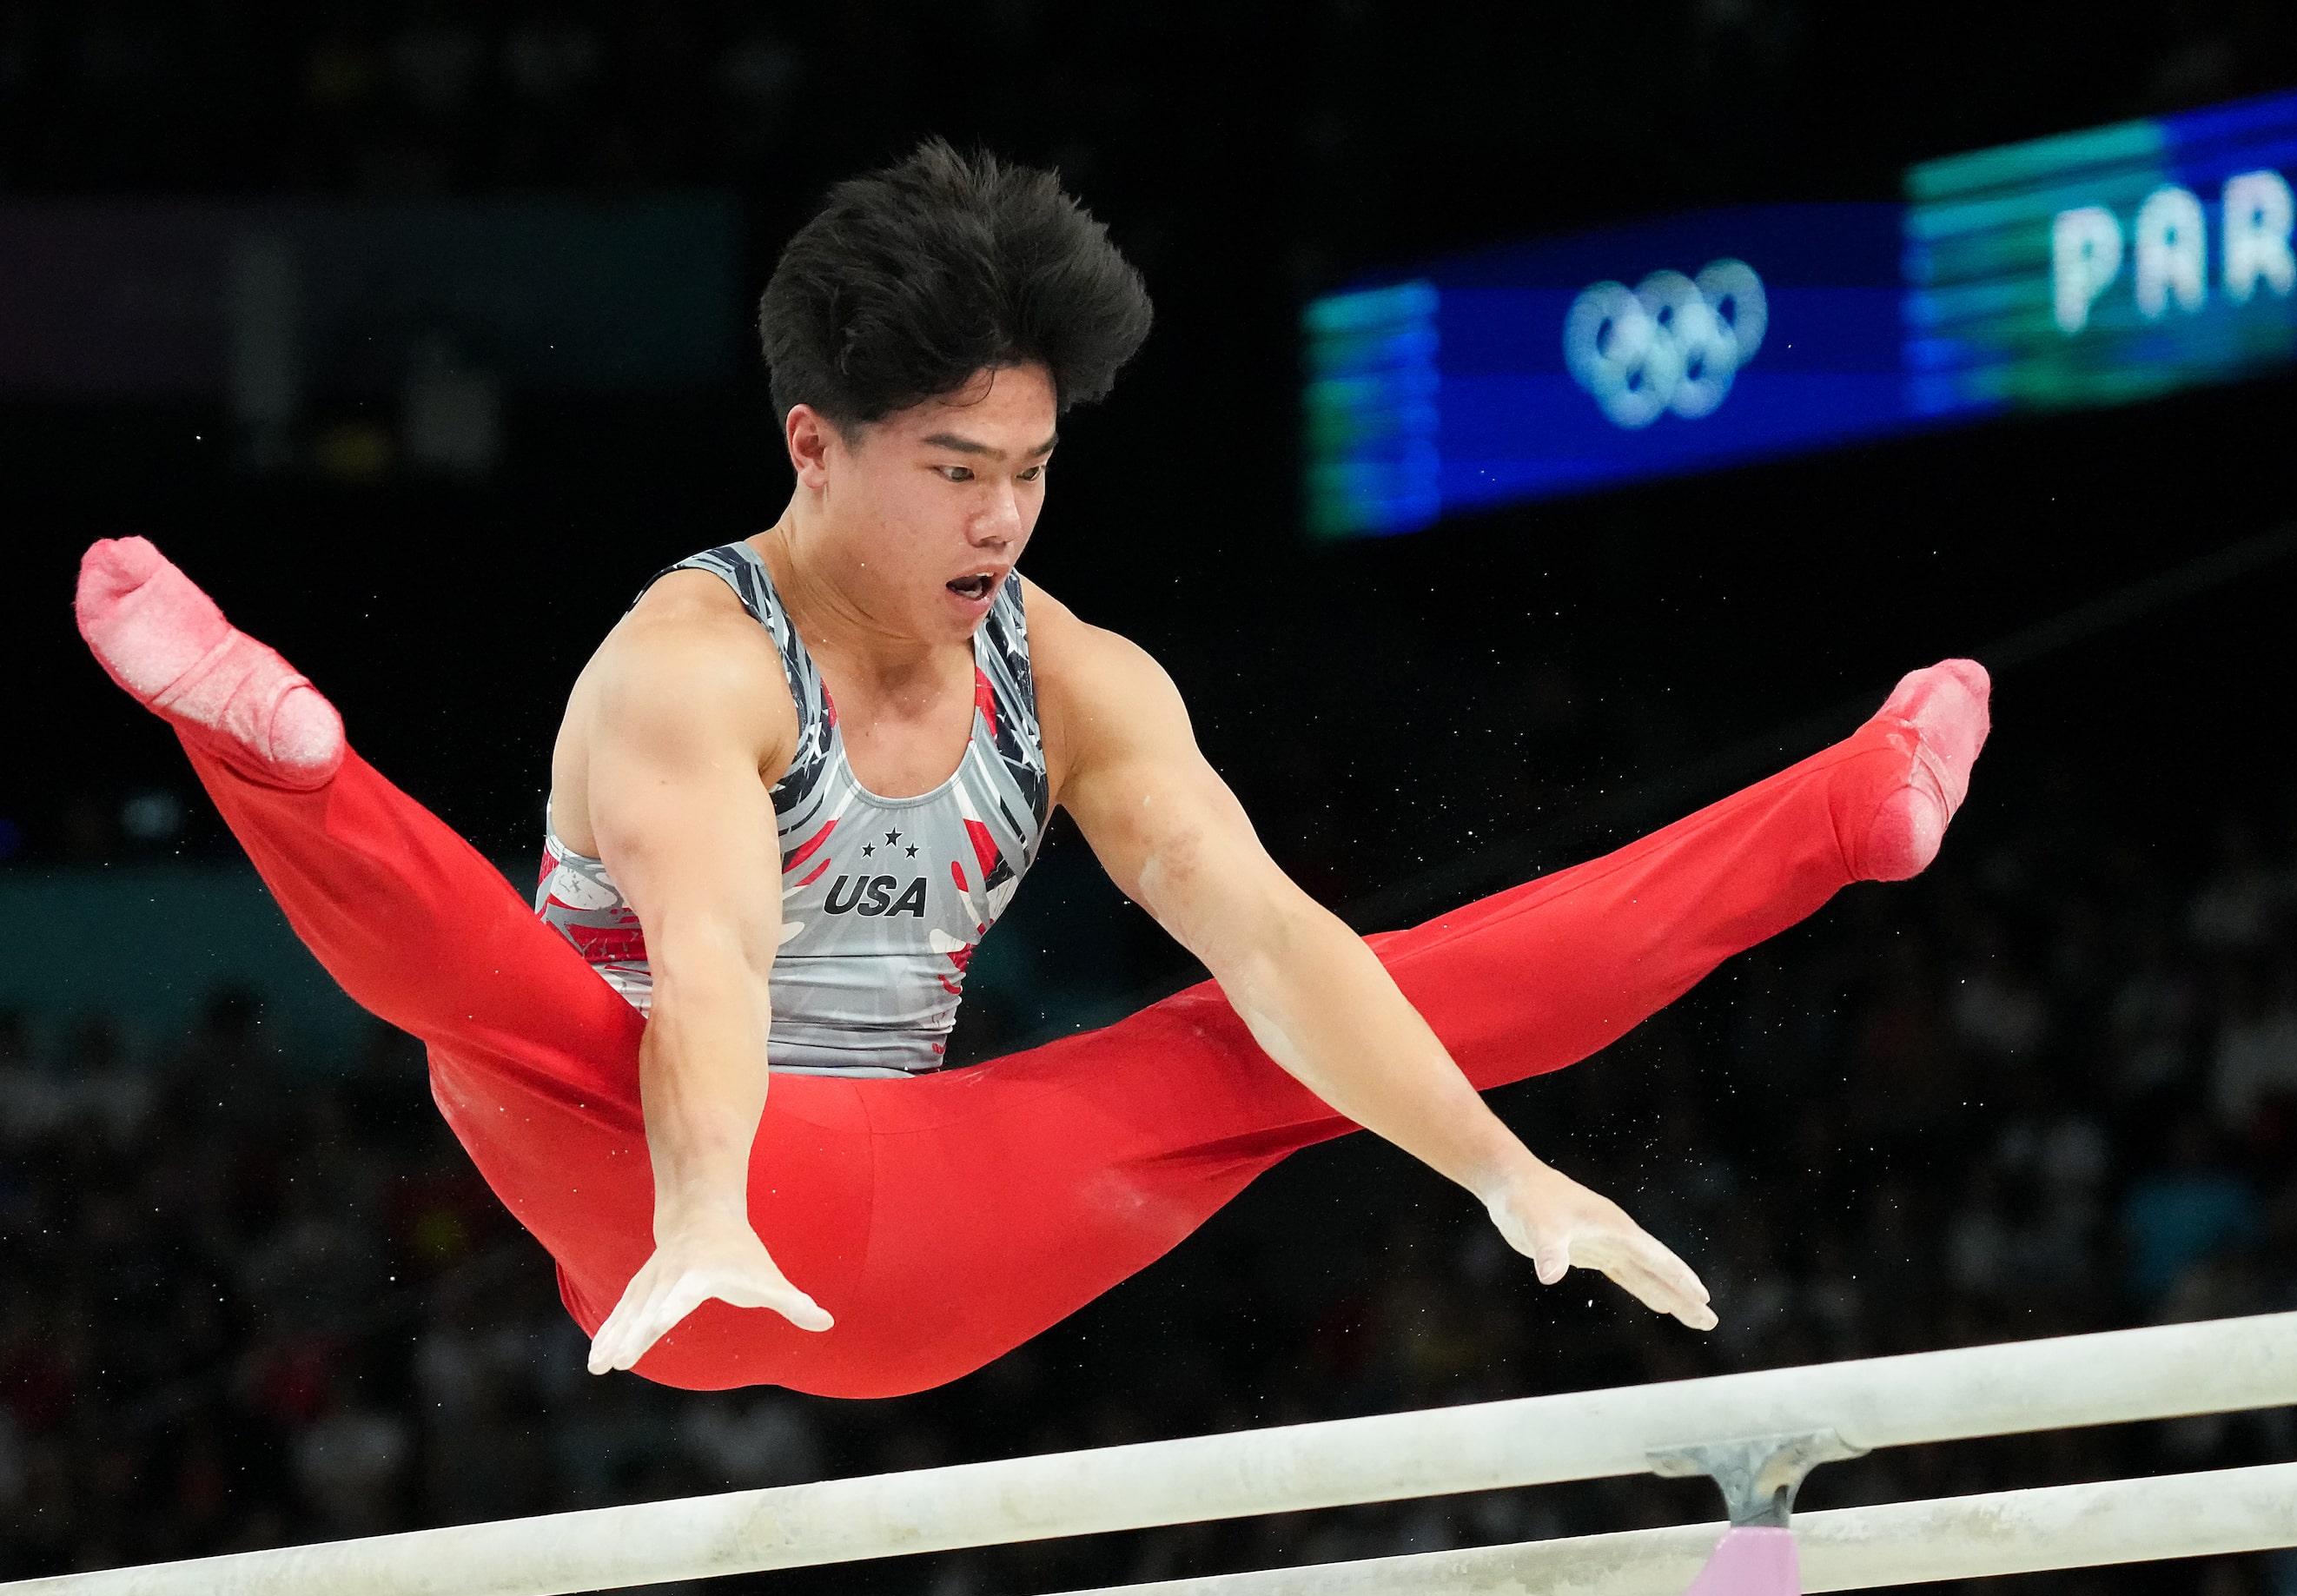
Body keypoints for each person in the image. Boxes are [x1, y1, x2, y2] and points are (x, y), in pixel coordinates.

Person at [71, 143, 1990, 1400]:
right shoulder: (688, 669)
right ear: (813, 445)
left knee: (1291, 1022)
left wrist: (1504, 1176)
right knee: (518, 1010)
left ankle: (1844, 808)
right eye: (953, 472)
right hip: (652, 1184)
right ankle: (282, 758)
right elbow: (719, 965)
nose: (1002, 522)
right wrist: (713, 1203)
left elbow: (1271, 936)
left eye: (1032, 470)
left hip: (913, 1219)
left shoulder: (1072, 676)